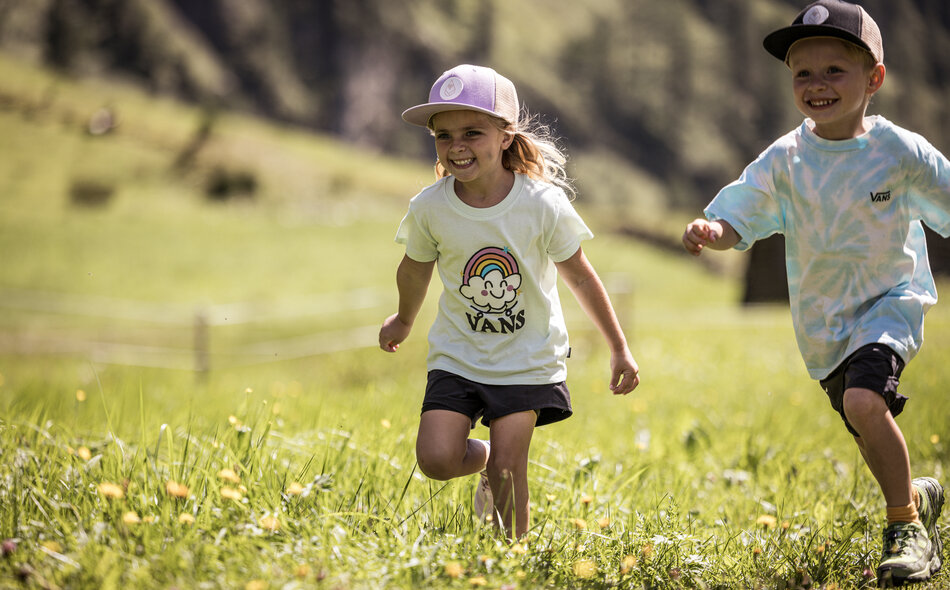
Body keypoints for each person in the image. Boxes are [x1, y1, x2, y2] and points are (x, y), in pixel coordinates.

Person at [682, 0, 948, 584]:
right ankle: (918, 494)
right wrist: (714, 230)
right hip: (824, 324)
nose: (817, 85)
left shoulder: (899, 151)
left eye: (835, 70)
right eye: (804, 72)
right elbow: (741, 216)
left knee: (863, 403)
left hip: (889, 303)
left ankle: (907, 528)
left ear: (874, 78)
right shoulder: (786, 159)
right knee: (865, 423)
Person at [379, 64, 640, 541]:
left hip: (527, 358)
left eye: (472, 132)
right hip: (458, 355)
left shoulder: (542, 205)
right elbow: (414, 268)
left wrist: (619, 348)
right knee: (436, 459)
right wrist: (403, 319)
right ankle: (481, 461)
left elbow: (581, 276)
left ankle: (506, 562)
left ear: (505, 136)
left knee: (508, 469)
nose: (456, 146)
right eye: (443, 136)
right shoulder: (430, 208)